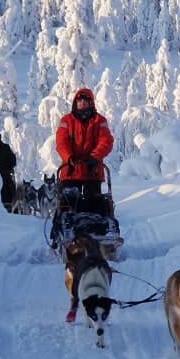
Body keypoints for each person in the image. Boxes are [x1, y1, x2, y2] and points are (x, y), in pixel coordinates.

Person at [50, 88, 114, 248]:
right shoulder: (66, 120)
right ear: (75, 103)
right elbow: (61, 142)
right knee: (67, 204)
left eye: (85, 101)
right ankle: (61, 235)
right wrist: (69, 158)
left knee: (96, 204)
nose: (82, 104)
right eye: (79, 101)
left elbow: (106, 141)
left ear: (91, 103)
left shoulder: (100, 121)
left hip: (93, 170)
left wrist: (95, 157)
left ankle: (98, 235)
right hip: (71, 171)